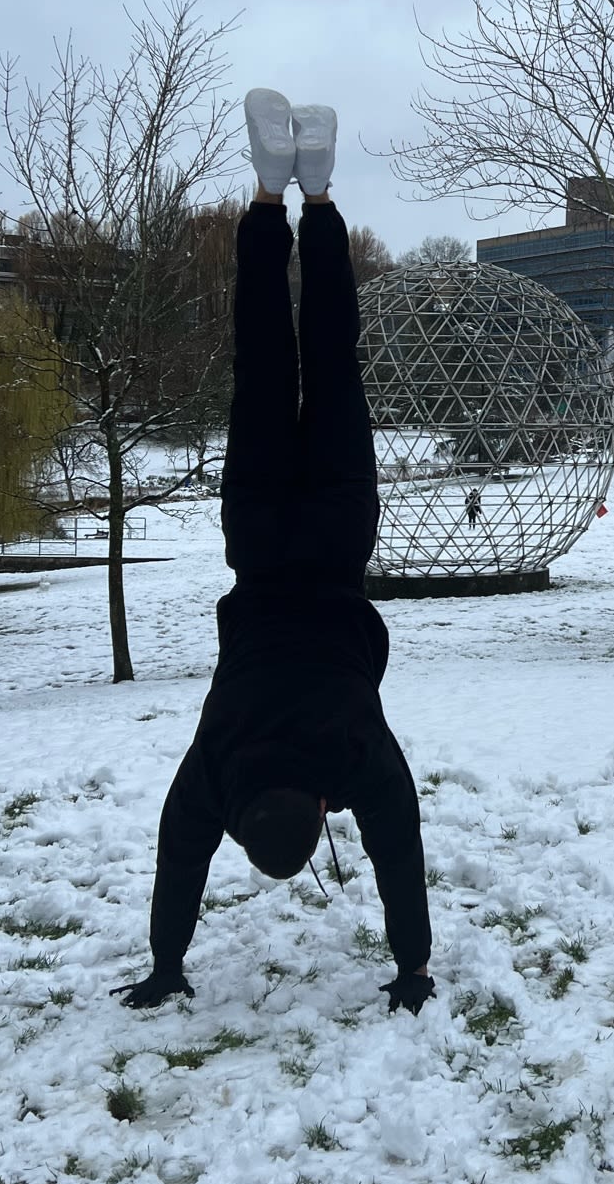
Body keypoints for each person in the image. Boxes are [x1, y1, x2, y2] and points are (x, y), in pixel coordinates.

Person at [113, 90, 434, 1016]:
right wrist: (165, 960)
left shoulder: (351, 755)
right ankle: (267, 194)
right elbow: (178, 858)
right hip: (256, 541)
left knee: (333, 361)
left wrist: (414, 965)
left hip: (335, 540)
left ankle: (320, 196)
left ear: (320, 807)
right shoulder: (217, 767)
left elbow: (400, 845)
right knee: (263, 362)